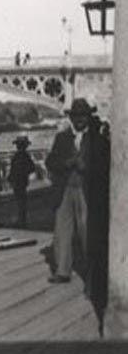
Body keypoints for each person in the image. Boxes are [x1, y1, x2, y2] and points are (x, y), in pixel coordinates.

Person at [45, 99, 110, 291]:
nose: (80, 119)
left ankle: (92, 273)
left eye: (83, 116)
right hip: (65, 189)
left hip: (86, 190)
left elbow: (105, 166)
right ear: (71, 118)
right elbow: (50, 162)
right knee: (62, 230)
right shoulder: (61, 138)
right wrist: (65, 163)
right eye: (76, 116)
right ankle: (62, 270)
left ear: (88, 117)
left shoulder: (98, 140)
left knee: (87, 230)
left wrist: (87, 167)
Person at [7, 135, 35, 227]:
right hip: (22, 180)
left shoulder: (18, 155)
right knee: (22, 200)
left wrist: (11, 177)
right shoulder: (25, 155)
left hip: (18, 180)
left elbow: (13, 169)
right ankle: (22, 218)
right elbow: (32, 167)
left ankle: (21, 219)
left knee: (20, 200)